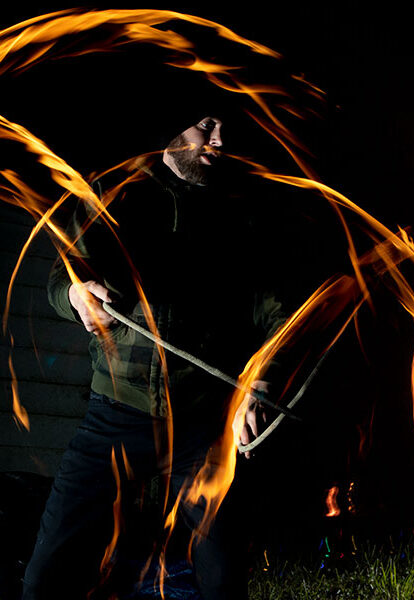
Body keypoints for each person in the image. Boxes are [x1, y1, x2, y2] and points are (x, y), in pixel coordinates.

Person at [21, 114, 287, 600]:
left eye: (227, 128)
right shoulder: (115, 190)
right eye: (206, 124)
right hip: (115, 415)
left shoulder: (243, 211)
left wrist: (263, 383)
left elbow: (278, 311)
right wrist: (77, 298)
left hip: (202, 428)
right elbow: (63, 280)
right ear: (172, 121)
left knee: (224, 579)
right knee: (45, 576)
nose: (219, 141)